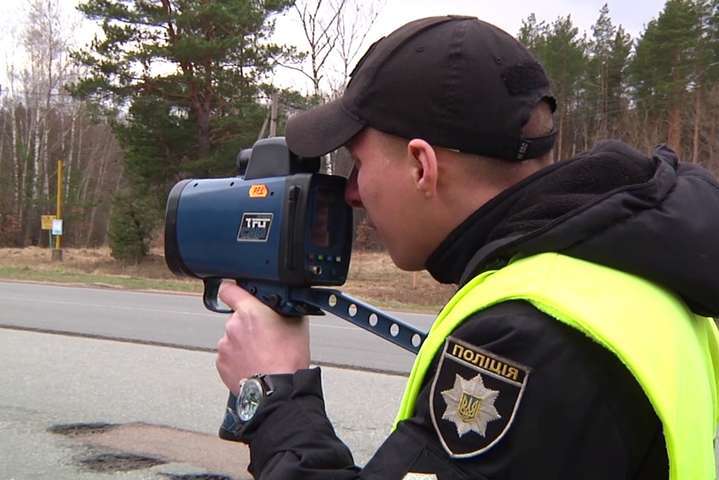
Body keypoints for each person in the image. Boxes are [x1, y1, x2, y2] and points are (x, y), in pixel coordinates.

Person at [215, 16, 719, 479]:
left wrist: (277, 396)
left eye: (358, 164)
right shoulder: (632, 269)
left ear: (422, 166)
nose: (351, 193)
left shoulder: (530, 338)